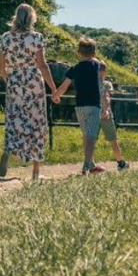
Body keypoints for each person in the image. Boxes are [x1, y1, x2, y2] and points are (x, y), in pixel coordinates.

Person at [0, 3, 58, 182]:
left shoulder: (5, 38)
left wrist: (10, 81)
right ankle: (35, 173)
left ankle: (9, 149)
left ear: (16, 17)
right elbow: (42, 65)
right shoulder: (36, 38)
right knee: (37, 122)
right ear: (32, 18)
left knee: (15, 118)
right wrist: (53, 88)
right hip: (33, 81)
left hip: (15, 80)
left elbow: (1, 67)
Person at [58, 37, 109, 174]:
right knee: (92, 136)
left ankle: (91, 163)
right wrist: (106, 107)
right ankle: (87, 165)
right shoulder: (97, 66)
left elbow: (64, 85)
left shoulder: (74, 68)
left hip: (79, 105)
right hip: (94, 105)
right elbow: (101, 86)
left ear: (78, 52)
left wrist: (57, 95)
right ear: (94, 52)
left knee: (87, 135)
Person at [99, 78, 129, 171]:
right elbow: (106, 96)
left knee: (90, 139)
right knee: (113, 139)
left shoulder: (90, 82)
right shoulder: (106, 83)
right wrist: (107, 109)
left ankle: (89, 163)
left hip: (92, 111)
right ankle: (121, 163)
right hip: (105, 114)